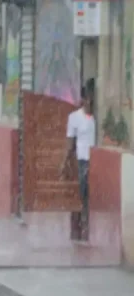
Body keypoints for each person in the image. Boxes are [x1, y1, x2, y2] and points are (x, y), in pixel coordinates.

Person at [61, 84, 95, 240]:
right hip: (81, 160)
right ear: (83, 99)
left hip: (94, 161)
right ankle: (76, 227)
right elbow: (70, 141)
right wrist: (65, 162)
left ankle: (86, 225)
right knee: (80, 193)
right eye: (87, 98)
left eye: (91, 98)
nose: (90, 101)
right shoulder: (74, 118)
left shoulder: (95, 117)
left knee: (89, 195)